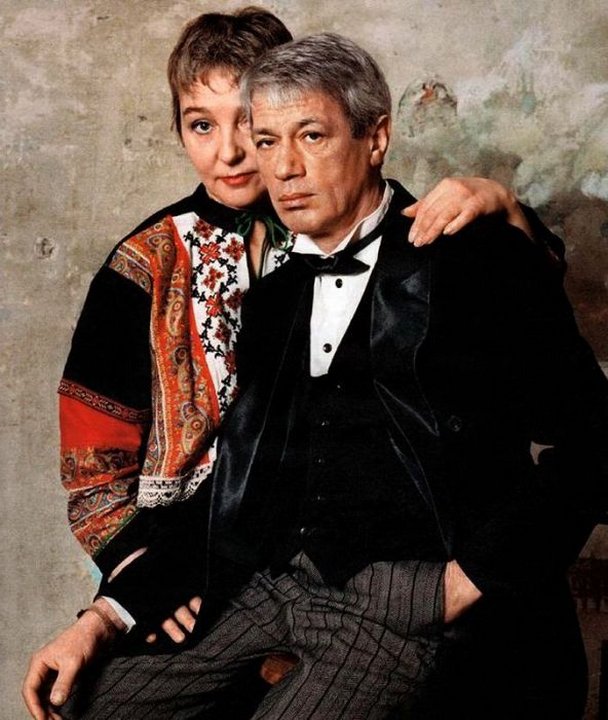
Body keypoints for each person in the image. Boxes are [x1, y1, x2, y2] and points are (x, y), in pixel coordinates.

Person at [22, 10, 565, 720]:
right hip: (230, 571)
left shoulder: (449, 245)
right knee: (93, 704)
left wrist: (510, 213)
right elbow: (209, 479)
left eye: (300, 134)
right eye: (258, 137)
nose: (264, 161)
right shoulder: (234, 286)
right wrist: (113, 607)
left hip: (402, 591)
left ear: (373, 136)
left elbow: (576, 423)